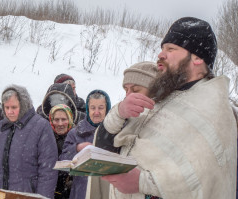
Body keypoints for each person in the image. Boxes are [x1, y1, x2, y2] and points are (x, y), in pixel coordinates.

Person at [100, 17, 237, 199]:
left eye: (171, 49)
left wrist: (142, 182)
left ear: (197, 57)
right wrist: (119, 113)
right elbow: (104, 146)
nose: (160, 55)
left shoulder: (214, 111)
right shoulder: (162, 101)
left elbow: (204, 175)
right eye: (162, 49)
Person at [86, 61, 158, 199]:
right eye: (126, 90)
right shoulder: (124, 118)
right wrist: (119, 113)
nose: (129, 95)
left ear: (153, 91)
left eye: (136, 90)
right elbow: (103, 145)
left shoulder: (162, 120)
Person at [0, 84, 58, 198]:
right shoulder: (1, 127)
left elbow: (48, 170)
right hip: (0, 193)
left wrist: (43, 197)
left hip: (26, 194)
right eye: (6, 107)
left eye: (14, 107)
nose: (9, 112)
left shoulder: (41, 126)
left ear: (23, 105)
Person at [60, 89, 111, 199]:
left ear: (107, 109)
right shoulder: (76, 132)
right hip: (82, 190)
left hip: (108, 190)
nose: (96, 112)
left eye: (101, 108)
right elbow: (62, 161)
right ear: (88, 109)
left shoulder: (115, 132)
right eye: (93, 108)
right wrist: (77, 148)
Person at [49, 104, 74, 199]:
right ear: (51, 120)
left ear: (70, 120)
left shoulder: (77, 137)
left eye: (63, 119)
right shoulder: (45, 138)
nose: (60, 124)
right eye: (56, 119)